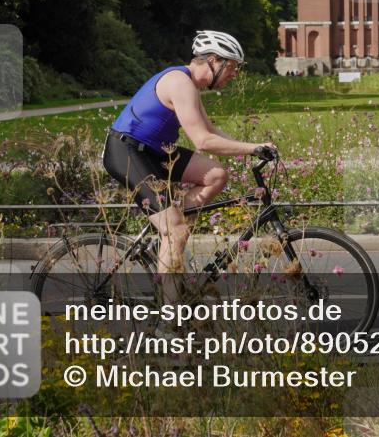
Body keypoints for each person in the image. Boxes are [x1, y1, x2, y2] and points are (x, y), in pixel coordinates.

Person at [102, 30, 276, 303]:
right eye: (232, 67)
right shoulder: (179, 82)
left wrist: (254, 147)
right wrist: (252, 148)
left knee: (216, 175)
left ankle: (169, 233)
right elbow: (203, 141)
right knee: (177, 230)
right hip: (127, 151)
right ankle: (169, 316)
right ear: (214, 60)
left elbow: (211, 130)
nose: (233, 74)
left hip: (153, 151)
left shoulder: (189, 85)